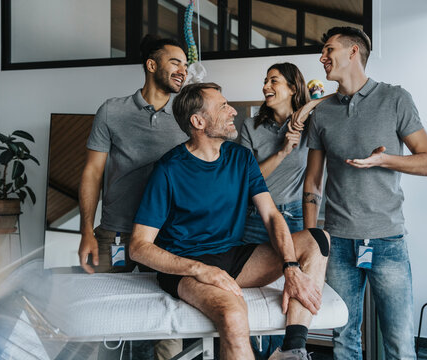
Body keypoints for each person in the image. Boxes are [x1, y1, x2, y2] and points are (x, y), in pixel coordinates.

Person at [130, 82, 331, 360]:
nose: (232, 111)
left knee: (317, 239)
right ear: (198, 121)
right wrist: (199, 269)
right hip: (186, 265)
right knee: (234, 316)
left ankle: (292, 349)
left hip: (233, 256)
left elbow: (271, 215)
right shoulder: (168, 169)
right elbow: (138, 247)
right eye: (223, 106)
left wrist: (291, 266)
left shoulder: (241, 158)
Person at [302, 27, 427, 360]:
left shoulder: (395, 98)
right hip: (339, 243)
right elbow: (312, 181)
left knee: (399, 341)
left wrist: (385, 160)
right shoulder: (322, 112)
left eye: (328, 49)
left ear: (353, 52)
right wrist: (312, 236)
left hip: (387, 240)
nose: (322, 58)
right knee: (343, 337)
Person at [77, 34, 188, 359]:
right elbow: (92, 173)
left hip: (168, 239)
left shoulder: (187, 117)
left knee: (170, 329)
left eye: (185, 64)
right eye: (175, 62)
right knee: (99, 318)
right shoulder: (112, 111)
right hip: (116, 235)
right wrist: (86, 231)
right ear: (151, 65)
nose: (183, 70)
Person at [239, 63, 326, 358]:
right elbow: (247, 181)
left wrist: (305, 109)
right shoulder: (250, 127)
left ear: (292, 87)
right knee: (250, 294)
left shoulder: (312, 125)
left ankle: (281, 354)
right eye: (265, 80)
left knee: (283, 297)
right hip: (254, 218)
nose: (265, 86)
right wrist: (282, 152)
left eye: (273, 81)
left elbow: (342, 97)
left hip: (294, 218)